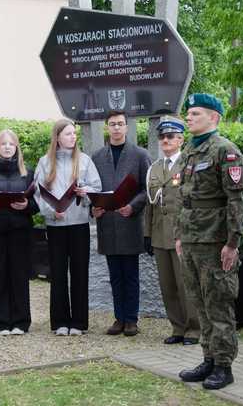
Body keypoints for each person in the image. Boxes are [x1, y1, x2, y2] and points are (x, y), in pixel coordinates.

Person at [175, 93, 243, 390]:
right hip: (192, 239)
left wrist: (232, 243)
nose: (188, 118)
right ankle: (208, 357)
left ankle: (223, 365)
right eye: (188, 114)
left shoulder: (225, 151)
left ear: (213, 118)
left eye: (195, 114)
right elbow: (184, 199)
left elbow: (237, 201)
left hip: (215, 241)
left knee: (219, 305)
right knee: (200, 304)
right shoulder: (189, 152)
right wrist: (179, 236)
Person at [34, 119, 101, 336]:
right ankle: (60, 321)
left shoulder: (85, 161)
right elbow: (37, 192)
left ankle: (79, 322)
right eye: (68, 133)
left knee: (80, 273)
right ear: (57, 137)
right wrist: (51, 211)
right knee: (59, 274)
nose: (73, 137)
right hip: (56, 225)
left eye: (74, 133)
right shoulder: (45, 162)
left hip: (79, 224)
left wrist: (86, 192)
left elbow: (96, 188)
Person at [92, 110, 151, 337]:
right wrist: (94, 207)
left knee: (131, 274)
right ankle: (118, 318)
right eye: (112, 124)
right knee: (114, 275)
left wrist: (133, 206)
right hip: (107, 223)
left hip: (130, 222)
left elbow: (148, 189)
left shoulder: (139, 155)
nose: (116, 128)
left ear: (127, 127)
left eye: (120, 124)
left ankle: (131, 320)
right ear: (107, 128)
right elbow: (91, 188)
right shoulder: (97, 157)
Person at [144, 115, 200, 345]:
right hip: (159, 235)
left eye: (170, 136)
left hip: (182, 235)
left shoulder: (189, 164)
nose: (165, 140)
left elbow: (195, 202)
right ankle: (177, 327)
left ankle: (194, 329)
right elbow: (150, 206)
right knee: (167, 286)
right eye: (162, 137)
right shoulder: (154, 168)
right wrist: (147, 234)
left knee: (186, 284)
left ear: (180, 139)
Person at [0, 129, 38, 336]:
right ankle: (0, 323)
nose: (7, 147)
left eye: (11, 144)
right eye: (3, 144)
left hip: (20, 231)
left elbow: (37, 203)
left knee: (19, 276)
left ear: (16, 148)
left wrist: (27, 206)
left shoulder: (27, 173)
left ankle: (21, 322)